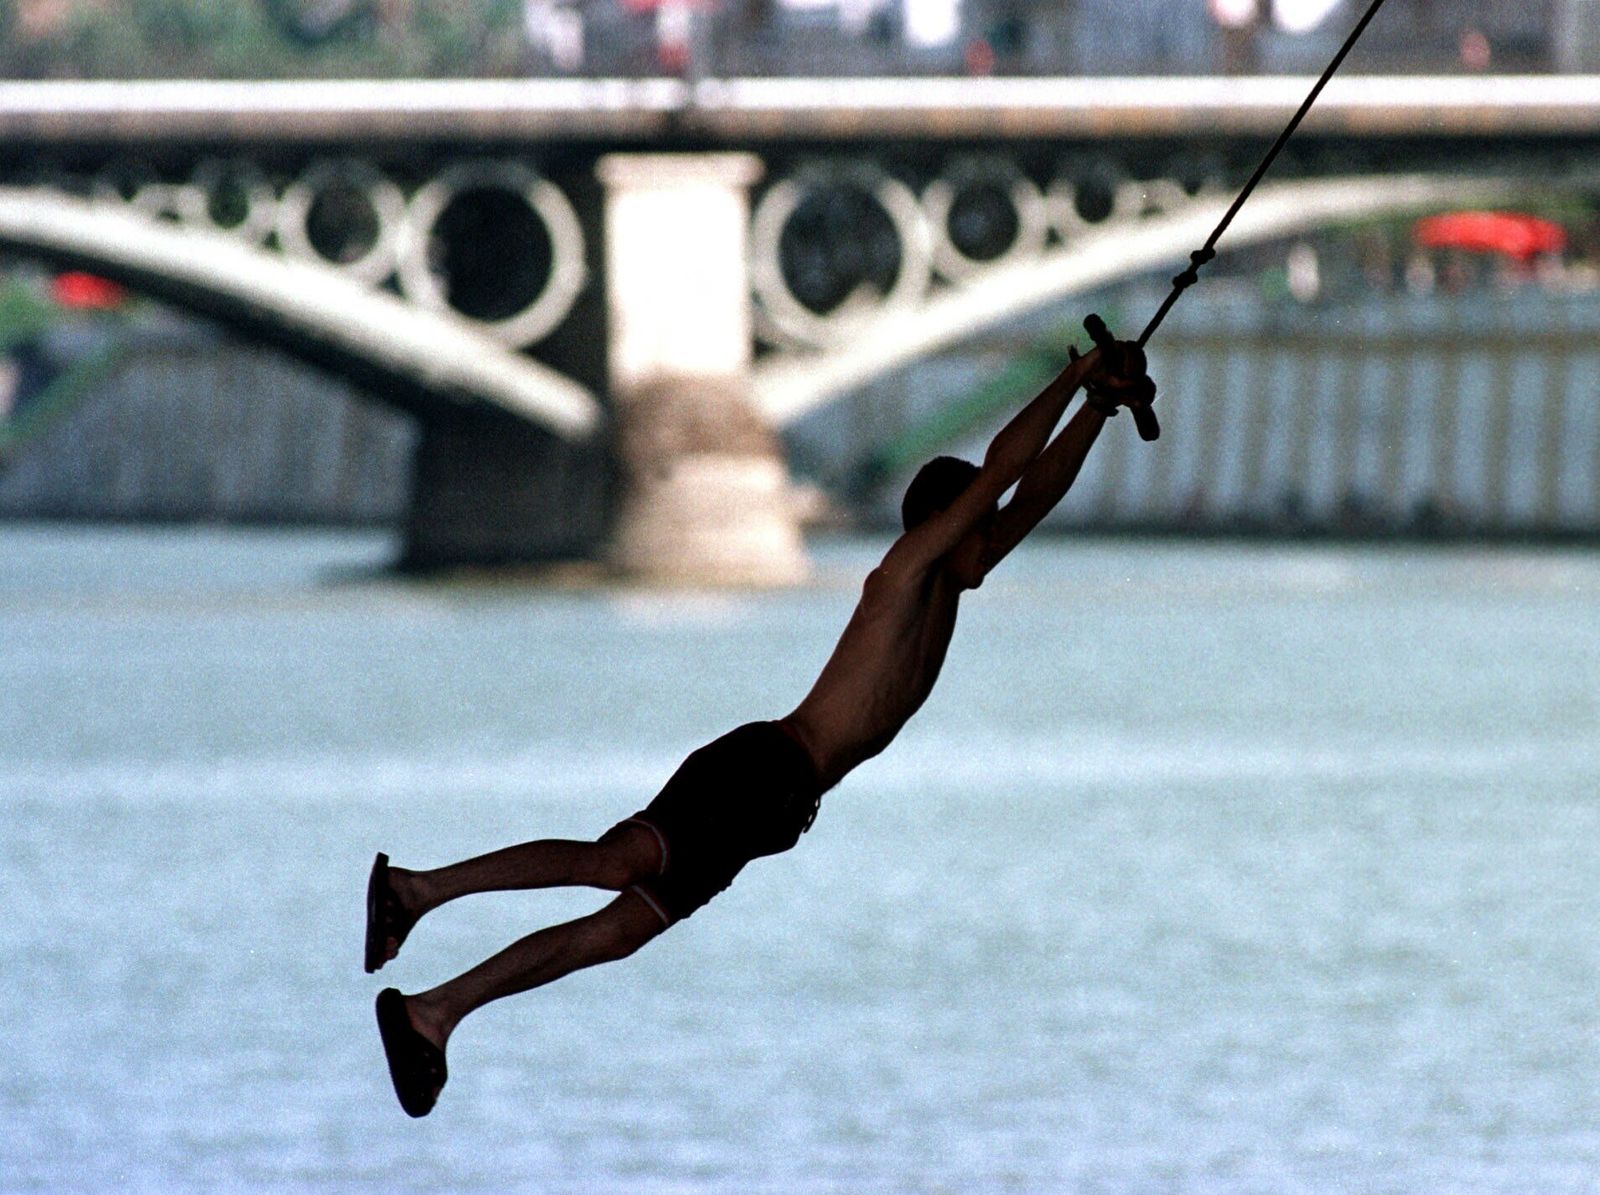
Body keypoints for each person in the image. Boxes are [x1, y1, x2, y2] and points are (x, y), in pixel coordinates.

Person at [367, 333, 1157, 1117]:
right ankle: (416, 889)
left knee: (614, 933)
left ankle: (434, 1013)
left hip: (773, 806)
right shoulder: (905, 576)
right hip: (760, 770)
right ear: (944, 527)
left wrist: (1098, 409)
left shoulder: (951, 586)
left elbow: (1035, 494)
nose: (994, 546)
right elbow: (1004, 472)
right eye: (979, 530)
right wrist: (1077, 373)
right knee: (614, 864)